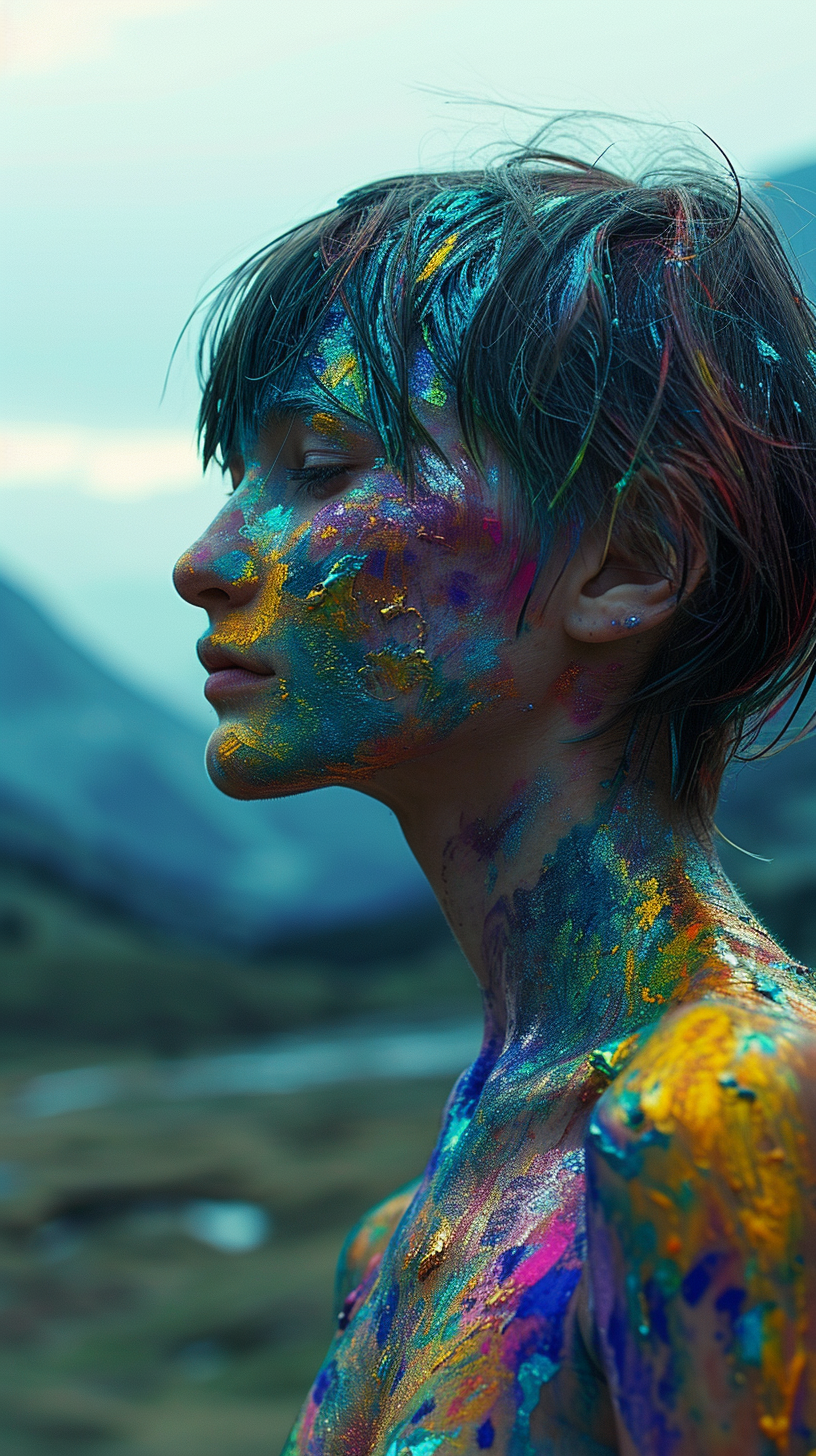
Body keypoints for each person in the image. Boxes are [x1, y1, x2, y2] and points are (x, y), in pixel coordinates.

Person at [173, 137, 816, 1454]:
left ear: (627, 564)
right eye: (240, 474)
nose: (209, 559)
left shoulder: (724, 1111)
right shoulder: (406, 1232)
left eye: (321, 466)